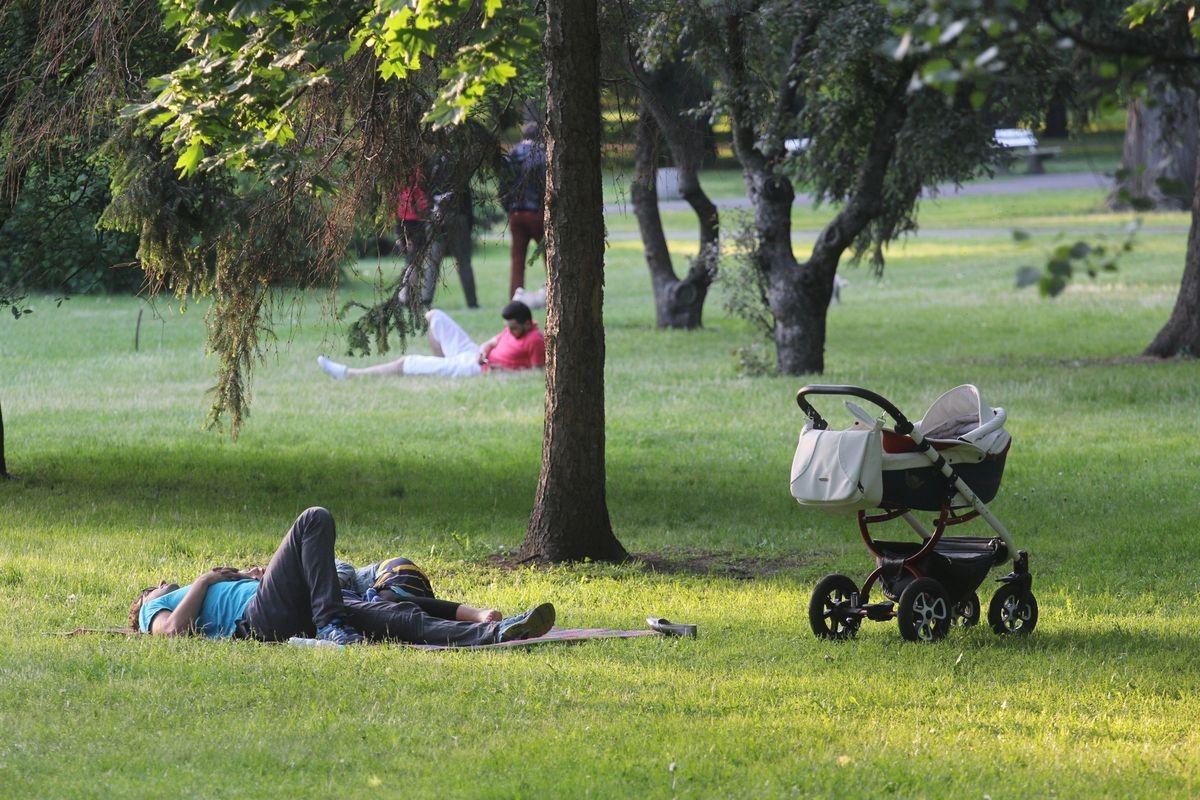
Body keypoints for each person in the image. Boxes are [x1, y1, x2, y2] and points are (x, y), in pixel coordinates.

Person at [129, 507, 555, 646]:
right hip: (256, 620)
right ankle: (332, 626)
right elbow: (170, 632)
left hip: (283, 605)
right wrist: (203, 579)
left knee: (395, 614)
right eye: (156, 585)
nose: (163, 581)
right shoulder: (155, 606)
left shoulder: (200, 589)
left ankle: (496, 633)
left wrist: (254, 574)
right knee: (313, 519)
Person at [316, 301, 544, 380]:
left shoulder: (535, 340)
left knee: (406, 363)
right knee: (434, 317)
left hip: (477, 370)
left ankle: (349, 375)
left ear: (526, 324)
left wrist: (503, 372)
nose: (509, 331)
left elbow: (537, 374)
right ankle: (443, 366)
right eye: (508, 327)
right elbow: (492, 342)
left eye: (513, 328)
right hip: (474, 357)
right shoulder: (515, 329)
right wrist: (482, 350)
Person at [335, 556, 502, 624]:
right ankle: (472, 626)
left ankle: (476, 614)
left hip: (393, 571)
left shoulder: (311, 562)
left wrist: (330, 589)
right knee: (401, 619)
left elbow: (344, 568)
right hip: (396, 595)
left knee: (384, 602)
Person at [500, 121, 546, 301]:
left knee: (517, 261)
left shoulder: (512, 154)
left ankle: (515, 299)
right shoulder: (542, 155)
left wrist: (509, 209)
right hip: (537, 214)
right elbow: (545, 186)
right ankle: (553, 293)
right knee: (549, 258)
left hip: (516, 214)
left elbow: (504, 187)